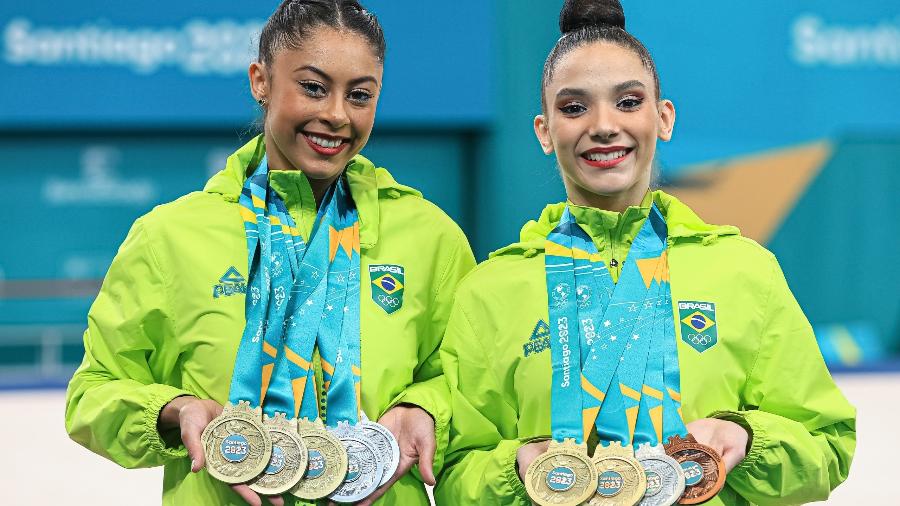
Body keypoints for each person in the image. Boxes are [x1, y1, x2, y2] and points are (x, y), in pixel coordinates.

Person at [435, 0, 855, 504]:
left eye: (628, 102)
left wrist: (744, 437)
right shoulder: (489, 290)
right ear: (545, 132)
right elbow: (456, 476)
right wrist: (518, 466)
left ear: (663, 118)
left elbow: (828, 447)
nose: (604, 125)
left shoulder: (745, 270)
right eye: (573, 108)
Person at [64, 1, 475, 505]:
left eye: (360, 96)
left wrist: (426, 406)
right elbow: (93, 395)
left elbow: (471, 385)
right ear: (261, 81)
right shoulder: (169, 237)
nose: (337, 115)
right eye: (313, 87)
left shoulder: (430, 237)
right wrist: (175, 409)